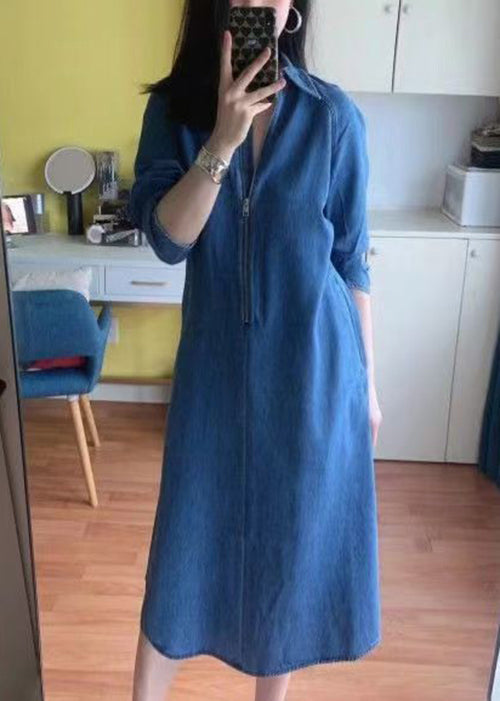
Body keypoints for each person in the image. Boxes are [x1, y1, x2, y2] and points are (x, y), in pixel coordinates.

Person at [128, 1, 383, 699]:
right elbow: (168, 239)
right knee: (181, 558)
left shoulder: (332, 117)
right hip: (213, 379)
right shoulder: (174, 114)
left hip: (313, 374)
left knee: (288, 556)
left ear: (293, 10)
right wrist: (223, 138)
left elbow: (352, 261)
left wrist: (369, 385)